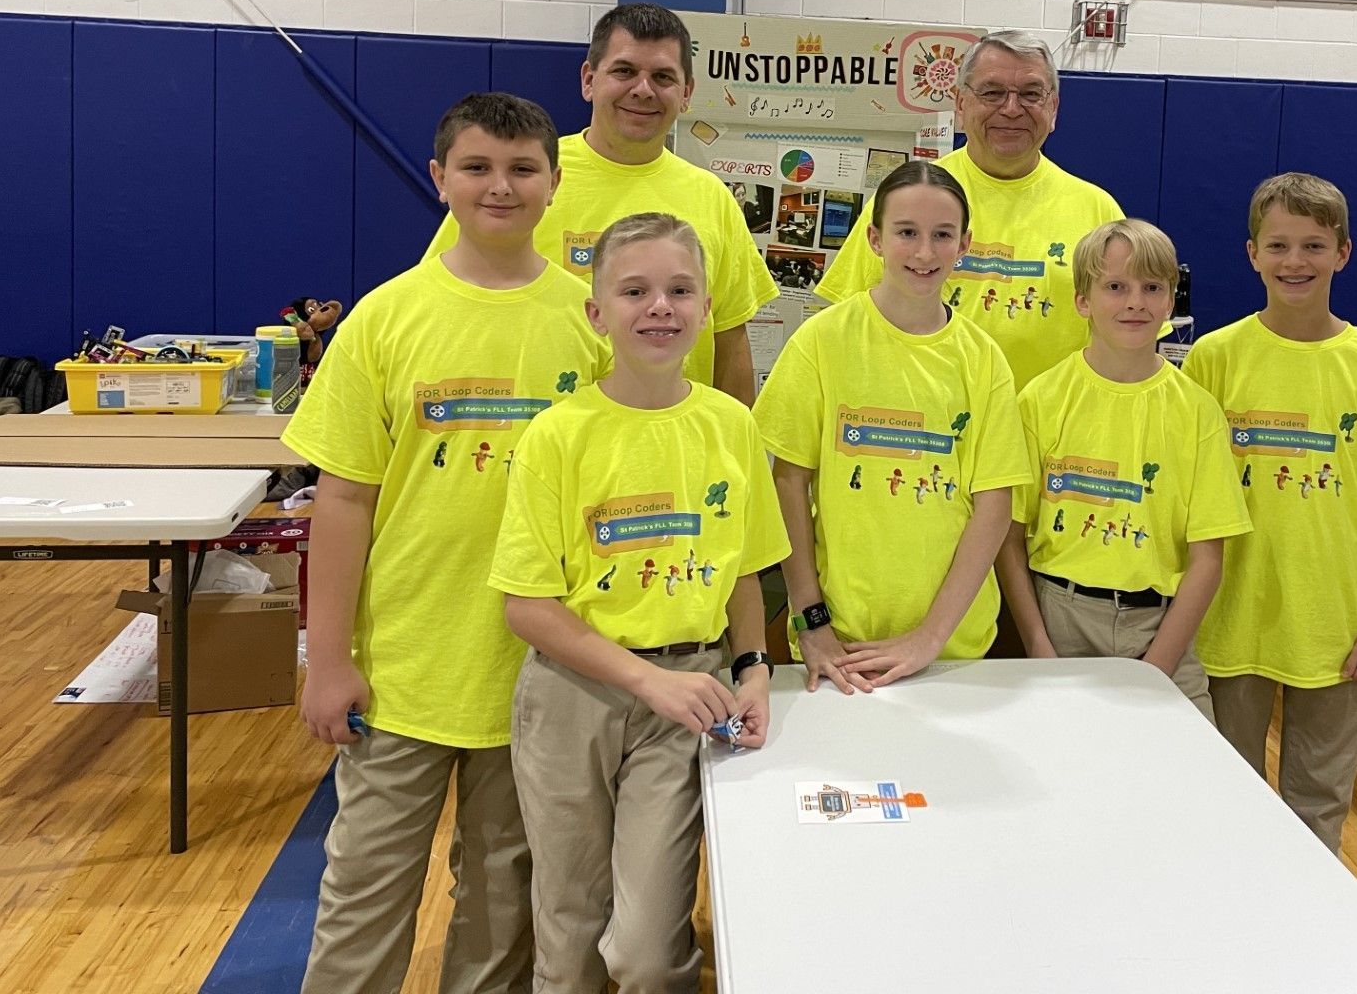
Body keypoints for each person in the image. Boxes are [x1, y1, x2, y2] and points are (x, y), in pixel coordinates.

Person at [285, 91, 604, 993]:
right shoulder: (385, 320)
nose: (499, 186)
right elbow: (342, 500)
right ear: (439, 180)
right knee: (365, 887)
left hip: (538, 670)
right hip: (404, 667)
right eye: (476, 167)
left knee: (502, 893)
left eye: (521, 169)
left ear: (553, 182)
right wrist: (329, 658)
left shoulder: (594, 323)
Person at [490, 213, 786, 992]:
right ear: (597, 314)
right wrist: (643, 679)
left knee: (650, 948)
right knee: (570, 925)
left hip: (686, 696)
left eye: (680, 290)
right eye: (635, 291)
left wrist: (753, 671)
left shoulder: (731, 426)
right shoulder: (559, 436)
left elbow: (746, 575)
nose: (660, 307)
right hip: (571, 696)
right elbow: (528, 606)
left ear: (706, 305)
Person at [1180, 173, 1357, 855]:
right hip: (1231, 610)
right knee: (1224, 788)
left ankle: (1306, 931)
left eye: (1314, 245)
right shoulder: (1213, 359)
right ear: (1252, 253)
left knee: (1318, 800)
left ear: (1343, 253)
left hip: (1333, 617)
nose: (1296, 261)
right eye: (1280, 245)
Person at [754, 160, 1029, 691]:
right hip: (842, 643)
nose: (924, 253)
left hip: (954, 647)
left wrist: (931, 636)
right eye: (907, 233)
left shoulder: (983, 359)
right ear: (875, 239)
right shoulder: (821, 342)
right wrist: (811, 621)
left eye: (941, 235)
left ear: (964, 244)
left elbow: (994, 506)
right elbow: (788, 484)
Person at [426, 2, 775, 404]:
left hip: (668, 444)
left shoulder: (712, 198)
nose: (643, 90)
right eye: (624, 71)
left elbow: (728, 337)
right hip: (537, 433)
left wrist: (738, 442)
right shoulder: (528, 179)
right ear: (589, 80)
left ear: (686, 94)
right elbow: (449, 304)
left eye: (662, 77)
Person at [995, 219, 1249, 719]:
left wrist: (1156, 668)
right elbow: (1008, 536)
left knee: (1186, 783)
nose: (1135, 302)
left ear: (1171, 300)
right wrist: (1038, 644)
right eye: (1115, 287)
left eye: (1152, 287)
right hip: (1059, 617)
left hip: (1162, 627)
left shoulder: (1197, 411)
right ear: (1083, 300)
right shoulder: (1040, 401)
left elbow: (1207, 559)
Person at [815, 30, 1125, 391]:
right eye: (992, 92)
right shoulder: (909, 198)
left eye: (1030, 94)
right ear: (960, 105)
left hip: (1049, 434)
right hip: (922, 430)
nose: (1011, 109)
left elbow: (1129, 342)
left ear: (1053, 108)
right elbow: (841, 325)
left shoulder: (1096, 210)